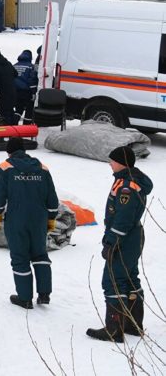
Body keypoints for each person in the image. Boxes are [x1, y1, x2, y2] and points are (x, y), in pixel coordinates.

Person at [87, 146, 154, 341]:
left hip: (124, 238)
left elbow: (123, 218)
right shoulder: (130, 181)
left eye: (112, 160)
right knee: (130, 278)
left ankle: (114, 329)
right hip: (132, 236)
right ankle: (133, 324)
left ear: (121, 163)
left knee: (113, 280)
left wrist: (111, 242)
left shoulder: (126, 186)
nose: (110, 163)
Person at [0, 138, 59, 310]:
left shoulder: (6, 167)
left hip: (17, 218)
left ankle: (25, 298)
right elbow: (51, 195)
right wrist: (51, 216)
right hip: (39, 218)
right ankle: (44, 294)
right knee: (40, 254)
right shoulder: (42, 168)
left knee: (20, 257)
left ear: (9, 152)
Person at [0, 49, 19, 125]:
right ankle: (14, 131)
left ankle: (7, 133)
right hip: (13, 92)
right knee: (11, 111)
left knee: (4, 114)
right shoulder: (8, 63)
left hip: (3, 94)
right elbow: (16, 74)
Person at [13, 50, 39, 122]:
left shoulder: (14, 65)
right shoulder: (31, 67)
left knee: (18, 110)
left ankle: (14, 125)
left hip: (16, 92)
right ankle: (26, 128)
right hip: (27, 92)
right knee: (29, 110)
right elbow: (32, 80)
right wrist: (33, 92)